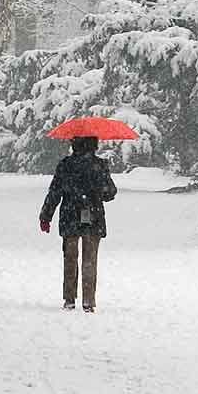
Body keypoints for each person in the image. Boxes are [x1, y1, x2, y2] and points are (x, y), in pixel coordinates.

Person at [39, 134, 117, 312]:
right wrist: (99, 187)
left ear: (73, 144)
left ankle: (69, 299)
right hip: (93, 217)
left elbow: (55, 192)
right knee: (90, 260)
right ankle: (88, 301)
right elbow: (110, 193)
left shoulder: (65, 165)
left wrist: (46, 216)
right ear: (94, 145)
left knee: (70, 259)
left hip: (70, 216)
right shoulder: (100, 165)